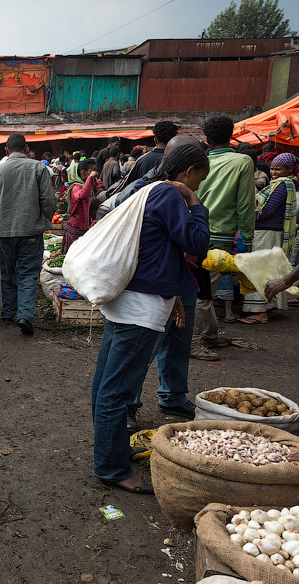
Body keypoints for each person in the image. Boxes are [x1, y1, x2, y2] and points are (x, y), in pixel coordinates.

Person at [92, 143, 210, 494]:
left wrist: (172, 295)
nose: (198, 185)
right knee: (117, 391)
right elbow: (196, 243)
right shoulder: (173, 196)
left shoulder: (144, 191)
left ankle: (111, 452)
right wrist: (195, 203)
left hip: (125, 301)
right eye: (199, 179)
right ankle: (111, 468)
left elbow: (157, 250)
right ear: (188, 172)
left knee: (105, 385)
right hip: (140, 311)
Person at [119, 136, 205, 433]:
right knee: (144, 349)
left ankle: (173, 395)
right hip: (157, 283)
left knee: (179, 342)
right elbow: (196, 241)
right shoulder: (155, 189)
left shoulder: (173, 191)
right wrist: (194, 204)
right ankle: (127, 405)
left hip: (183, 278)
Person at [192, 115, 255, 360]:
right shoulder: (242, 162)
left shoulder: (200, 160)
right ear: (231, 135)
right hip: (221, 235)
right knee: (205, 289)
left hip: (194, 229)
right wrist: (247, 239)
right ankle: (197, 338)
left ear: (206, 138)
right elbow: (245, 203)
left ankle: (208, 333)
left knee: (201, 286)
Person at [0, 133, 58, 335]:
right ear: (26, 148)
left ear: (6, 150)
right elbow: (49, 200)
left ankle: (8, 311)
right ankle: (25, 315)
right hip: (30, 230)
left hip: (5, 230)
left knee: (8, 272)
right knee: (27, 273)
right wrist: (44, 218)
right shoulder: (38, 167)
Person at [240, 152, 299, 323]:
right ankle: (268, 308)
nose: (273, 172)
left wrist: (247, 213)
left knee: (260, 270)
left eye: (278, 169)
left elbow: (266, 212)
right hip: (272, 232)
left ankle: (259, 311)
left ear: (289, 169)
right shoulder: (284, 184)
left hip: (268, 232)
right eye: (272, 169)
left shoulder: (282, 185)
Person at [61, 159, 99, 255]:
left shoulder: (84, 185)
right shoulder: (76, 187)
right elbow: (81, 195)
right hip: (75, 228)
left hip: (82, 227)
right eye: (92, 170)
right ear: (83, 172)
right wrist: (90, 178)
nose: (95, 172)